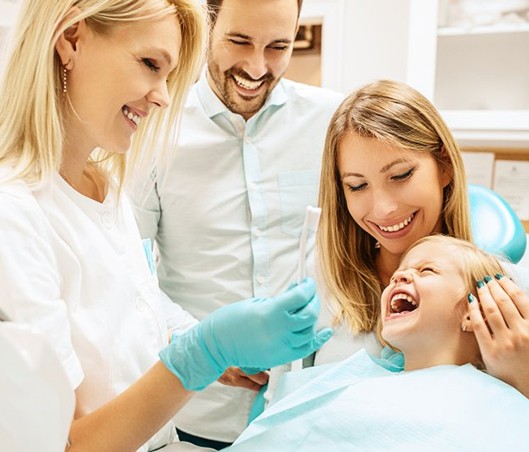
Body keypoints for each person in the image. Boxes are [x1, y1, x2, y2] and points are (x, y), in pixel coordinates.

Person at [0, 1, 332, 451]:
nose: (163, 95)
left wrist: (211, 344)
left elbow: (134, 302)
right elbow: (65, 445)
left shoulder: (103, 184)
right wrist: (203, 352)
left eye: (169, 75)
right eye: (150, 64)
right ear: (72, 39)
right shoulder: (14, 214)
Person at [131, 0, 343, 447]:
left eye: (277, 47)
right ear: (208, 26)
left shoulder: (332, 122)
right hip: (199, 414)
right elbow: (128, 276)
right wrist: (206, 346)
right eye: (239, 41)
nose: (256, 66)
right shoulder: (154, 128)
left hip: (309, 410)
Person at [315, 79, 529, 398]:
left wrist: (522, 379)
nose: (384, 208)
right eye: (357, 186)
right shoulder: (322, 288)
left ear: (443, 164)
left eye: (400, 176)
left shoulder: (511, 294)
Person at [224, 236, 529, 451]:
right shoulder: (354, 378)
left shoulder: (497, 400)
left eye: (426, 270)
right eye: (397, 274)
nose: (401, 278)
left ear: (476, 310)